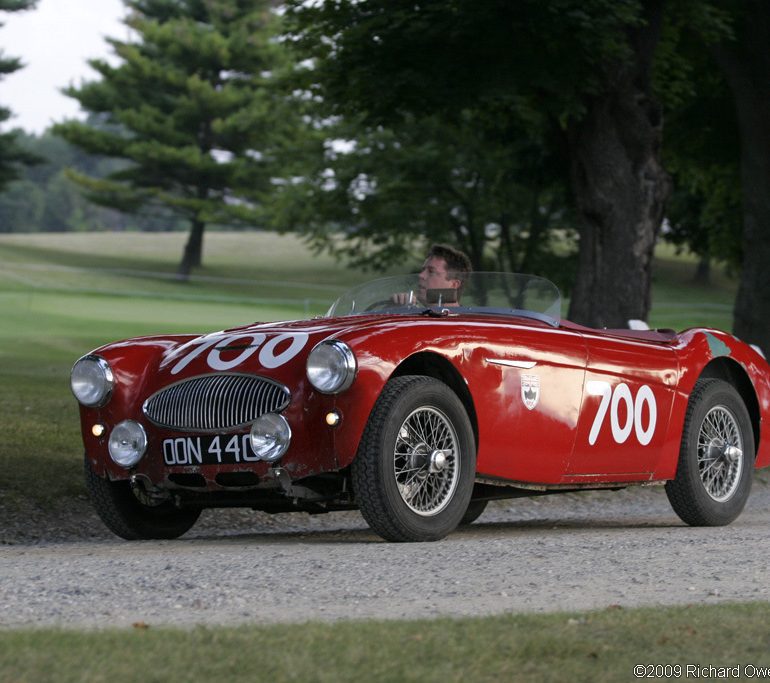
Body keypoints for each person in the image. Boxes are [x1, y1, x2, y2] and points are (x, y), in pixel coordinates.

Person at [394, 243, 472, 306]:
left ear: (454, 285)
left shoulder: (470, 324)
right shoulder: (411, 320)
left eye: (431, 271)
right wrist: (396, 309)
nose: (421, 275)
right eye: (423, 270)